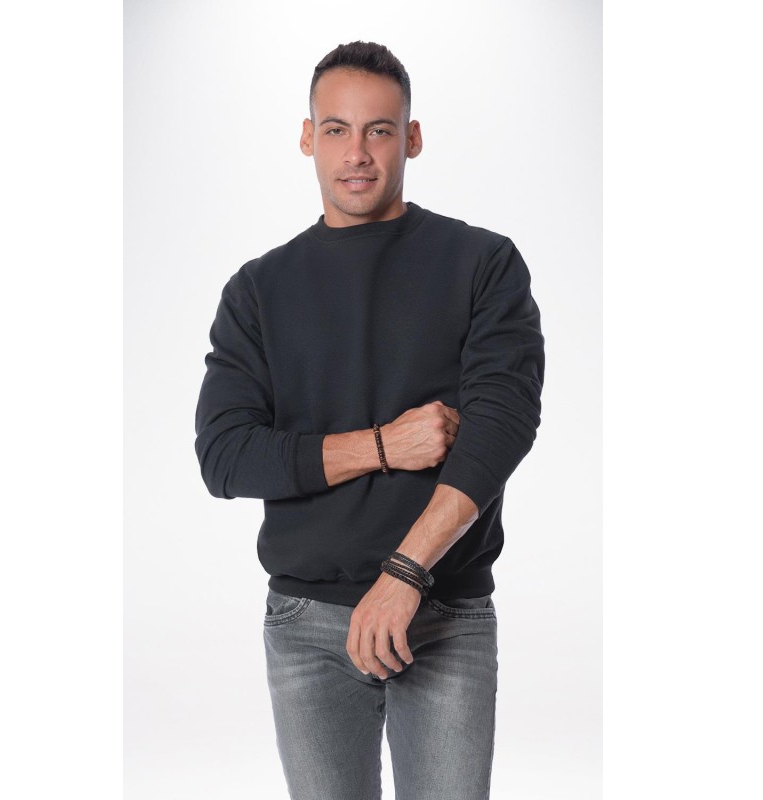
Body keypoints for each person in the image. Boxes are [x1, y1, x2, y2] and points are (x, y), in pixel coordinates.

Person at [194, 40, 544, 800]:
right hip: (307, 624)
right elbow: (224, 457)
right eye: (336, 129)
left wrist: (405, 571)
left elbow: (503, 425)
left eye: (379, 130)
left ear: (411, 138)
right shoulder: (257, 290)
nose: (357, 152)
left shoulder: (482, 263)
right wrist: (383, 445)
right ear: (307, 137)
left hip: (443, 613)